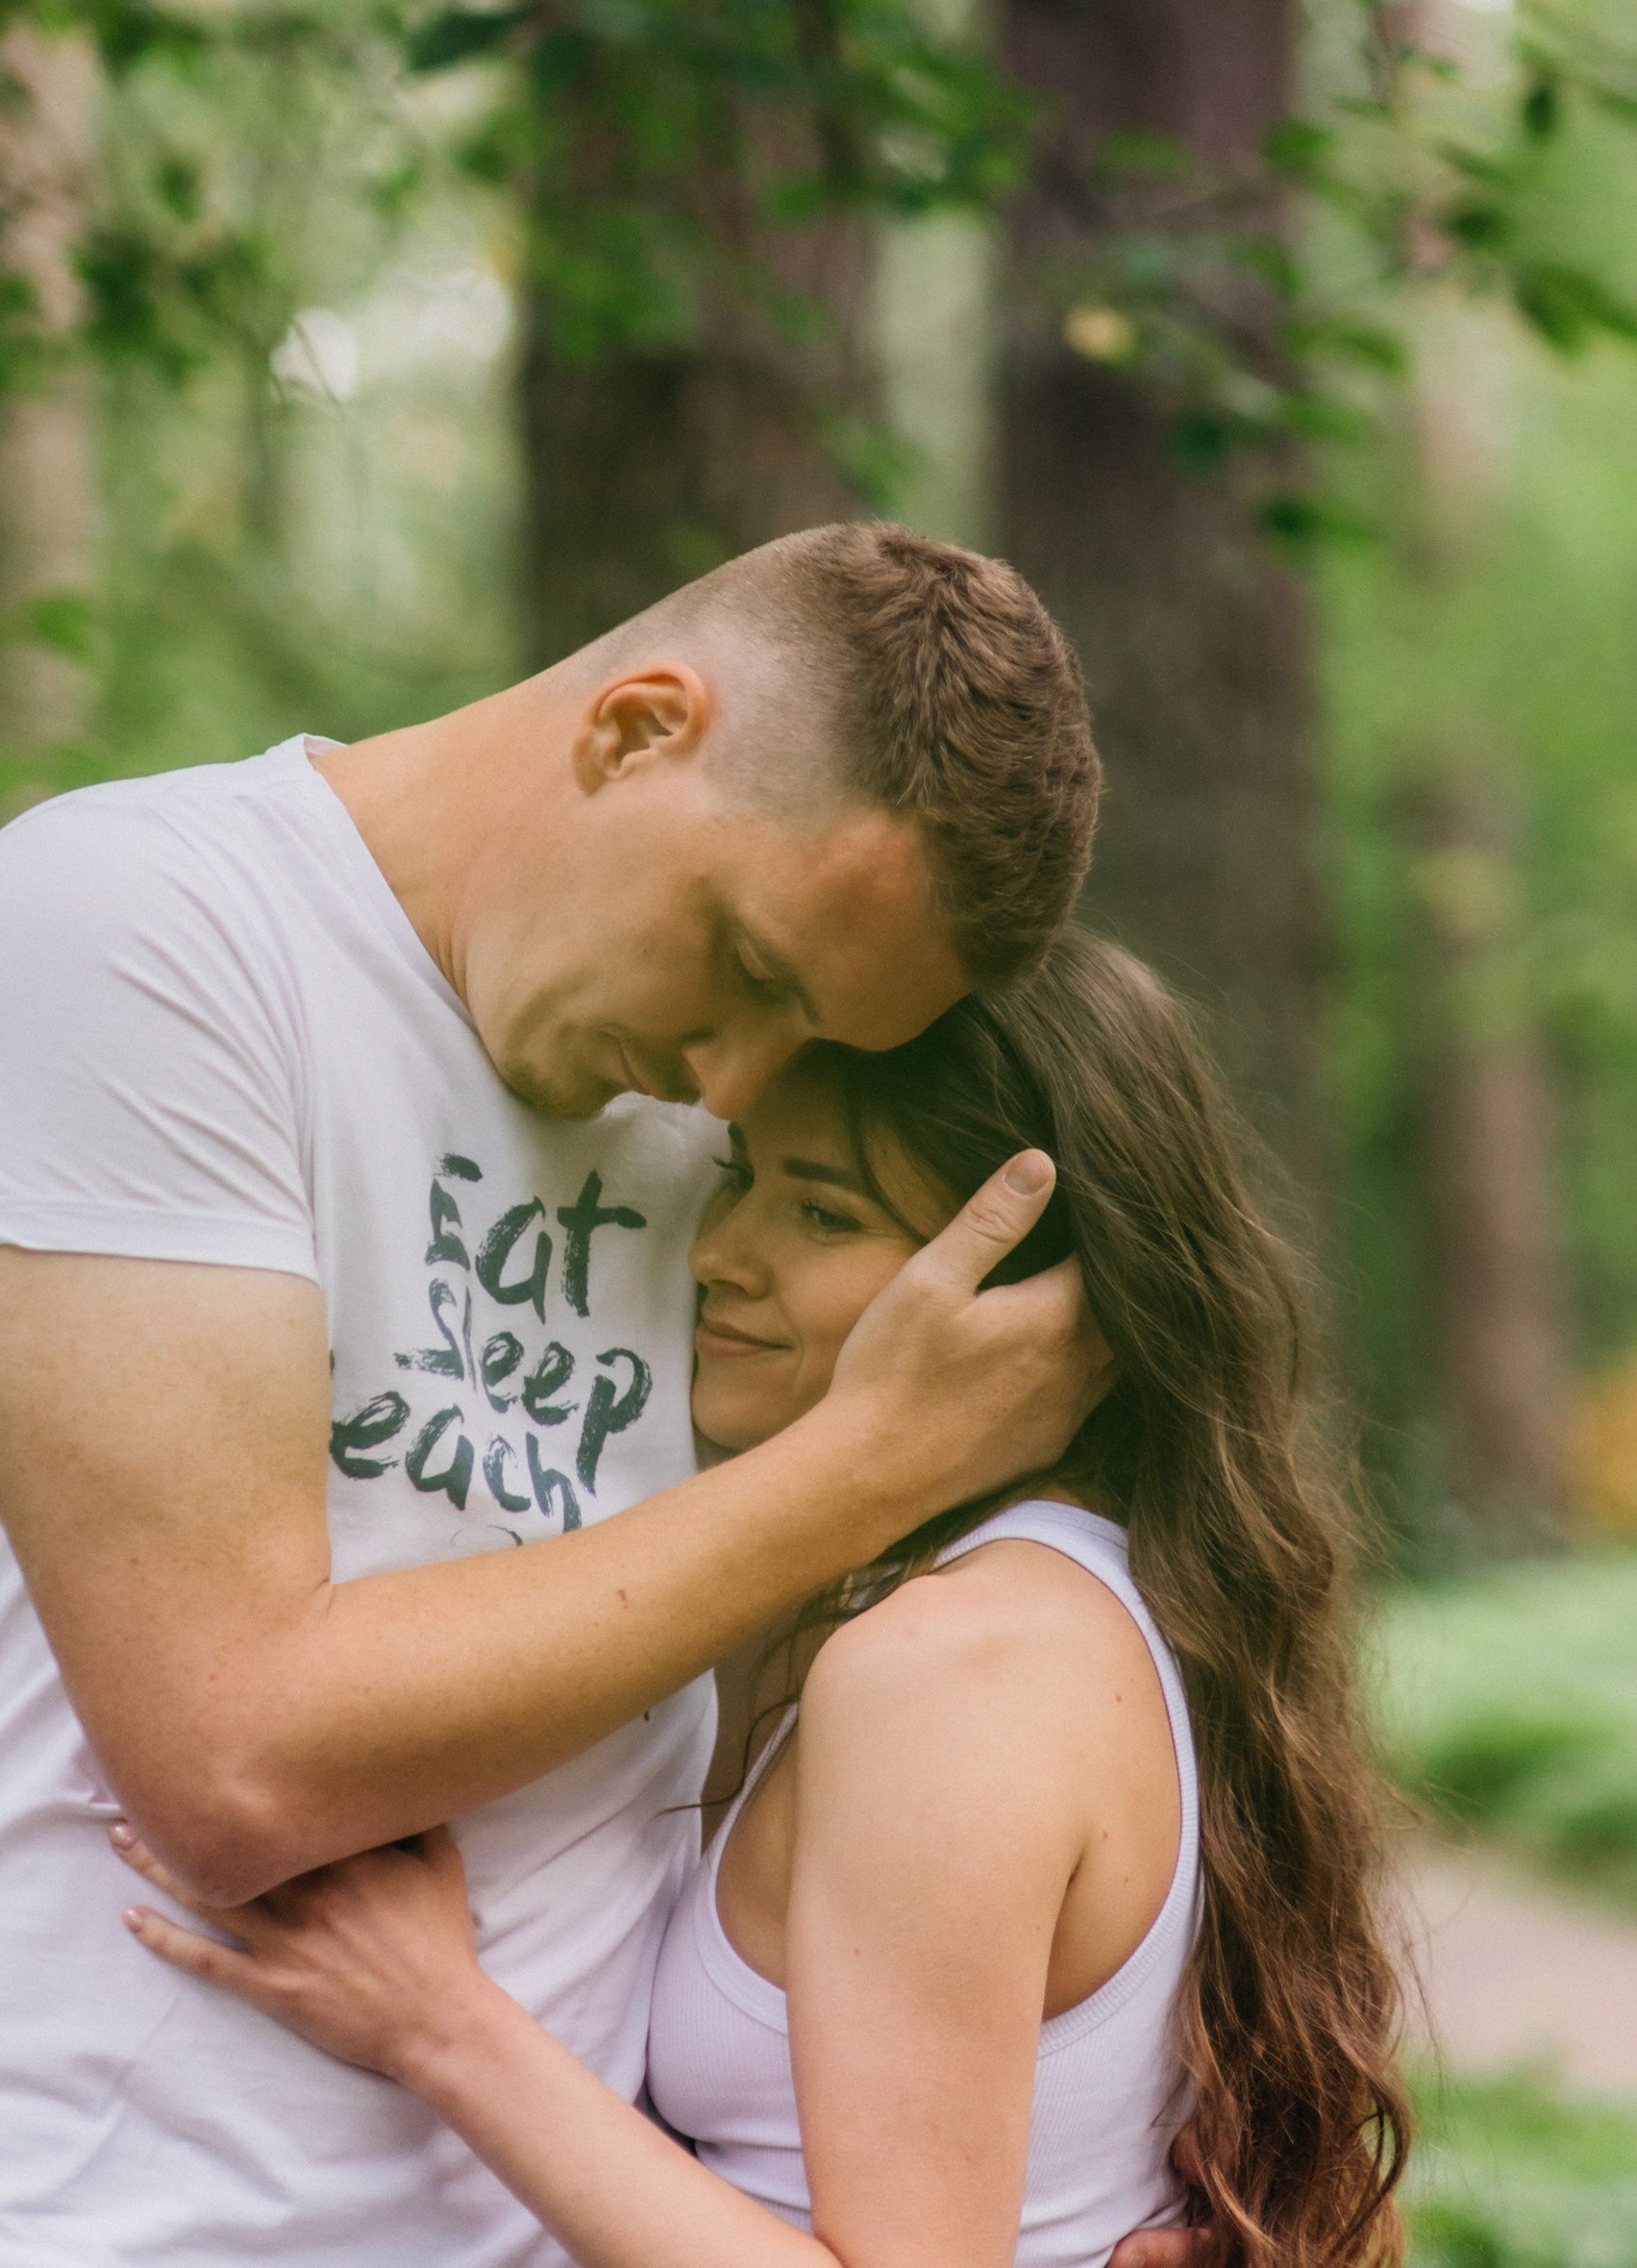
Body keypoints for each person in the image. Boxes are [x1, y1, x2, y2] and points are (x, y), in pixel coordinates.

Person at [0, 523, 1107, 2268]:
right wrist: (869, 1464)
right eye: (749, 969)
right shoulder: (143, 935)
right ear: (637, 729)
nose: (734, 1085)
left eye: (814, 1040)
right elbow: (233, 1764)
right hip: (104, 2222)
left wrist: (1188, 2157)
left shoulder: (709, 1108)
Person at [115, 933, 1412, 2268]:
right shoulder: (1086, 1602)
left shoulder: (956, 1670)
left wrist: (439, 2025)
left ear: (1035, 1299)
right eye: (738, 1178)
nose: (720, 1253)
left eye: (824, 1214)